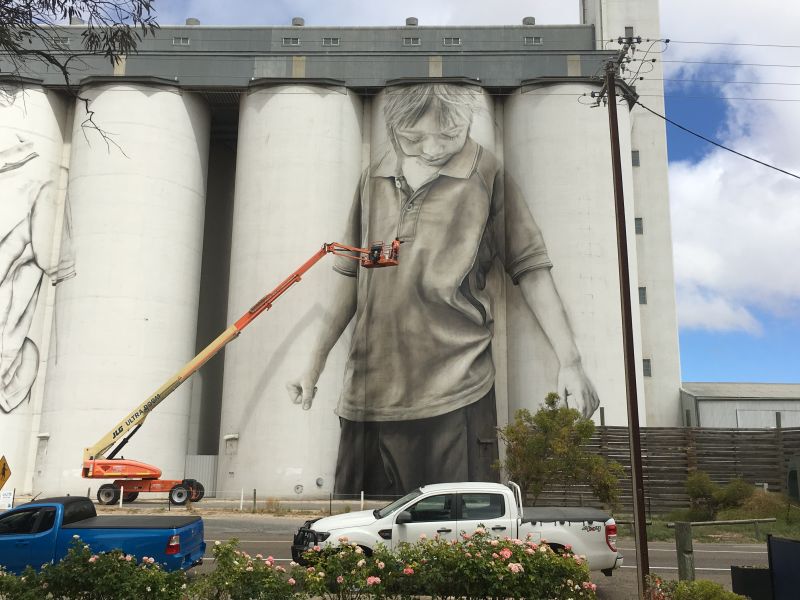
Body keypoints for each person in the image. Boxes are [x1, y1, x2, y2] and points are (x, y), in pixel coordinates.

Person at [287, 83, 599, 495]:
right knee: (357, 537)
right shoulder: (373, 177)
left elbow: (532, 267)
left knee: (457, 535)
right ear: (393, 126)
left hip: (456, 394)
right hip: (367, 397)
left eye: (449, 135)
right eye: (414, 138)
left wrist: (570, 360)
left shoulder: (487, 174)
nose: (432, 148)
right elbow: (350, 277)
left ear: (468, 123)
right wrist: (313, 365)